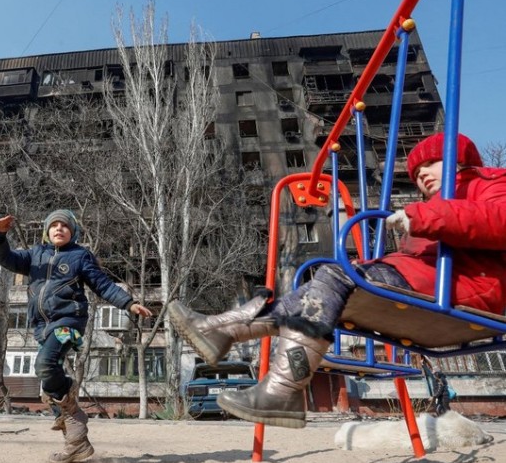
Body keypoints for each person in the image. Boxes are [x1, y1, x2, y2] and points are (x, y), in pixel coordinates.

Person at [169, 132, 506, 429]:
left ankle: (277, 386)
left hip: (471, 288)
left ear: (458, 160)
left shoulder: (488, 183)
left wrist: (424, 215)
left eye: (430, 164)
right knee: (315, 292)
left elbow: (498, 220)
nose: (421, 176)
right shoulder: (438, 207)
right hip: (433, 283)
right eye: (416, 173)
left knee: (334, 274)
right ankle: (224, 332)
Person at [0, 209, 152, 463]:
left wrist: (128, 303)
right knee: (47, 376)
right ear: (46, 231)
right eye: (53, 225)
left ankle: (71, 409)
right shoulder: (35, 255)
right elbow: (7, 259)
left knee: (44, 364)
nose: (58, 229)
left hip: (69, 320)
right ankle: (75, 441)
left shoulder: (79, 256)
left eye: (64, 226)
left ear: (72, 232)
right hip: (42, 326)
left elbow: (103, 284)